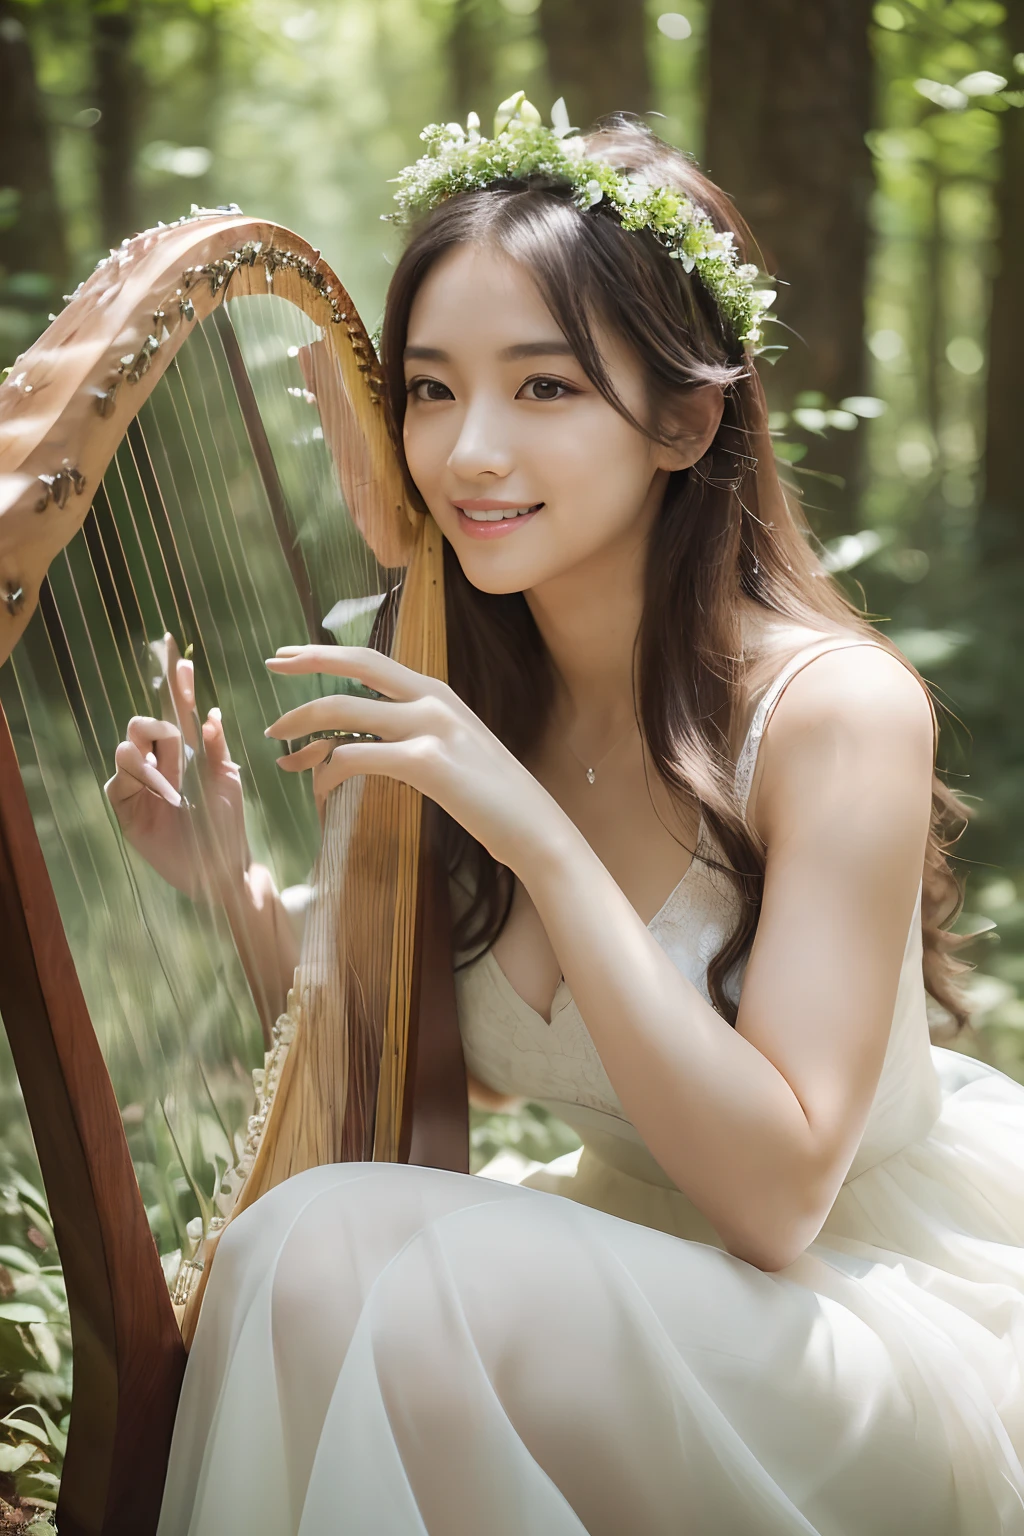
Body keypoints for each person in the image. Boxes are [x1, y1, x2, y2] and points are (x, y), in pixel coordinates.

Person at [110, 96, 1024, 1534]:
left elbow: (778, 1201)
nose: (469, 449)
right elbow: (438, 1070)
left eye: (542, 389)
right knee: (301, 1254)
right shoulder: (442, 667)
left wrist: (527, 821)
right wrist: (234, 886)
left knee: (361, 1272)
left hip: (848, 1319)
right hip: (612, 1285)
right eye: (426, 389)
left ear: (684, 417)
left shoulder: (836, 712)